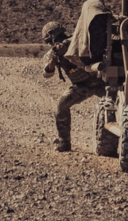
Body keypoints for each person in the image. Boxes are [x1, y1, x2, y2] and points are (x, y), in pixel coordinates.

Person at [42, 22, 105, 152]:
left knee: (121, 105)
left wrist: (67, 46)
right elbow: (47, 74)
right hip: (81, 86)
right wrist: (53, 60)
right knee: (61, 105)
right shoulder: (52, 54)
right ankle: (64, 142)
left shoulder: (77, 41)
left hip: (100, 81)